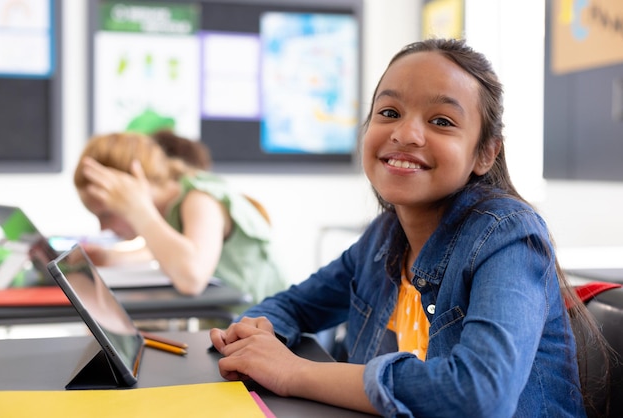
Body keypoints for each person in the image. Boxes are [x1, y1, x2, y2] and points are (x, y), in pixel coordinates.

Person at [210, 38, 605, 417]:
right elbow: (292, 305)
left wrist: (293, 372)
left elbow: (479, 395)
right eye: (389, 112)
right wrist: (259, 335)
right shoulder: (383, 237)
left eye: (441, 120)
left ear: (486, 153)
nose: (405, 134)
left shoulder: (507, 235)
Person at [73, 131, 287, 303]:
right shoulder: (172, 208)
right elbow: (166, 252)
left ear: (134, 188)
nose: (103, 228)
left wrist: (138, 209)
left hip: (273, 333)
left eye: (106, 214)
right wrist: (110, 258)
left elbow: (191, 277)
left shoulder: (200, 198)